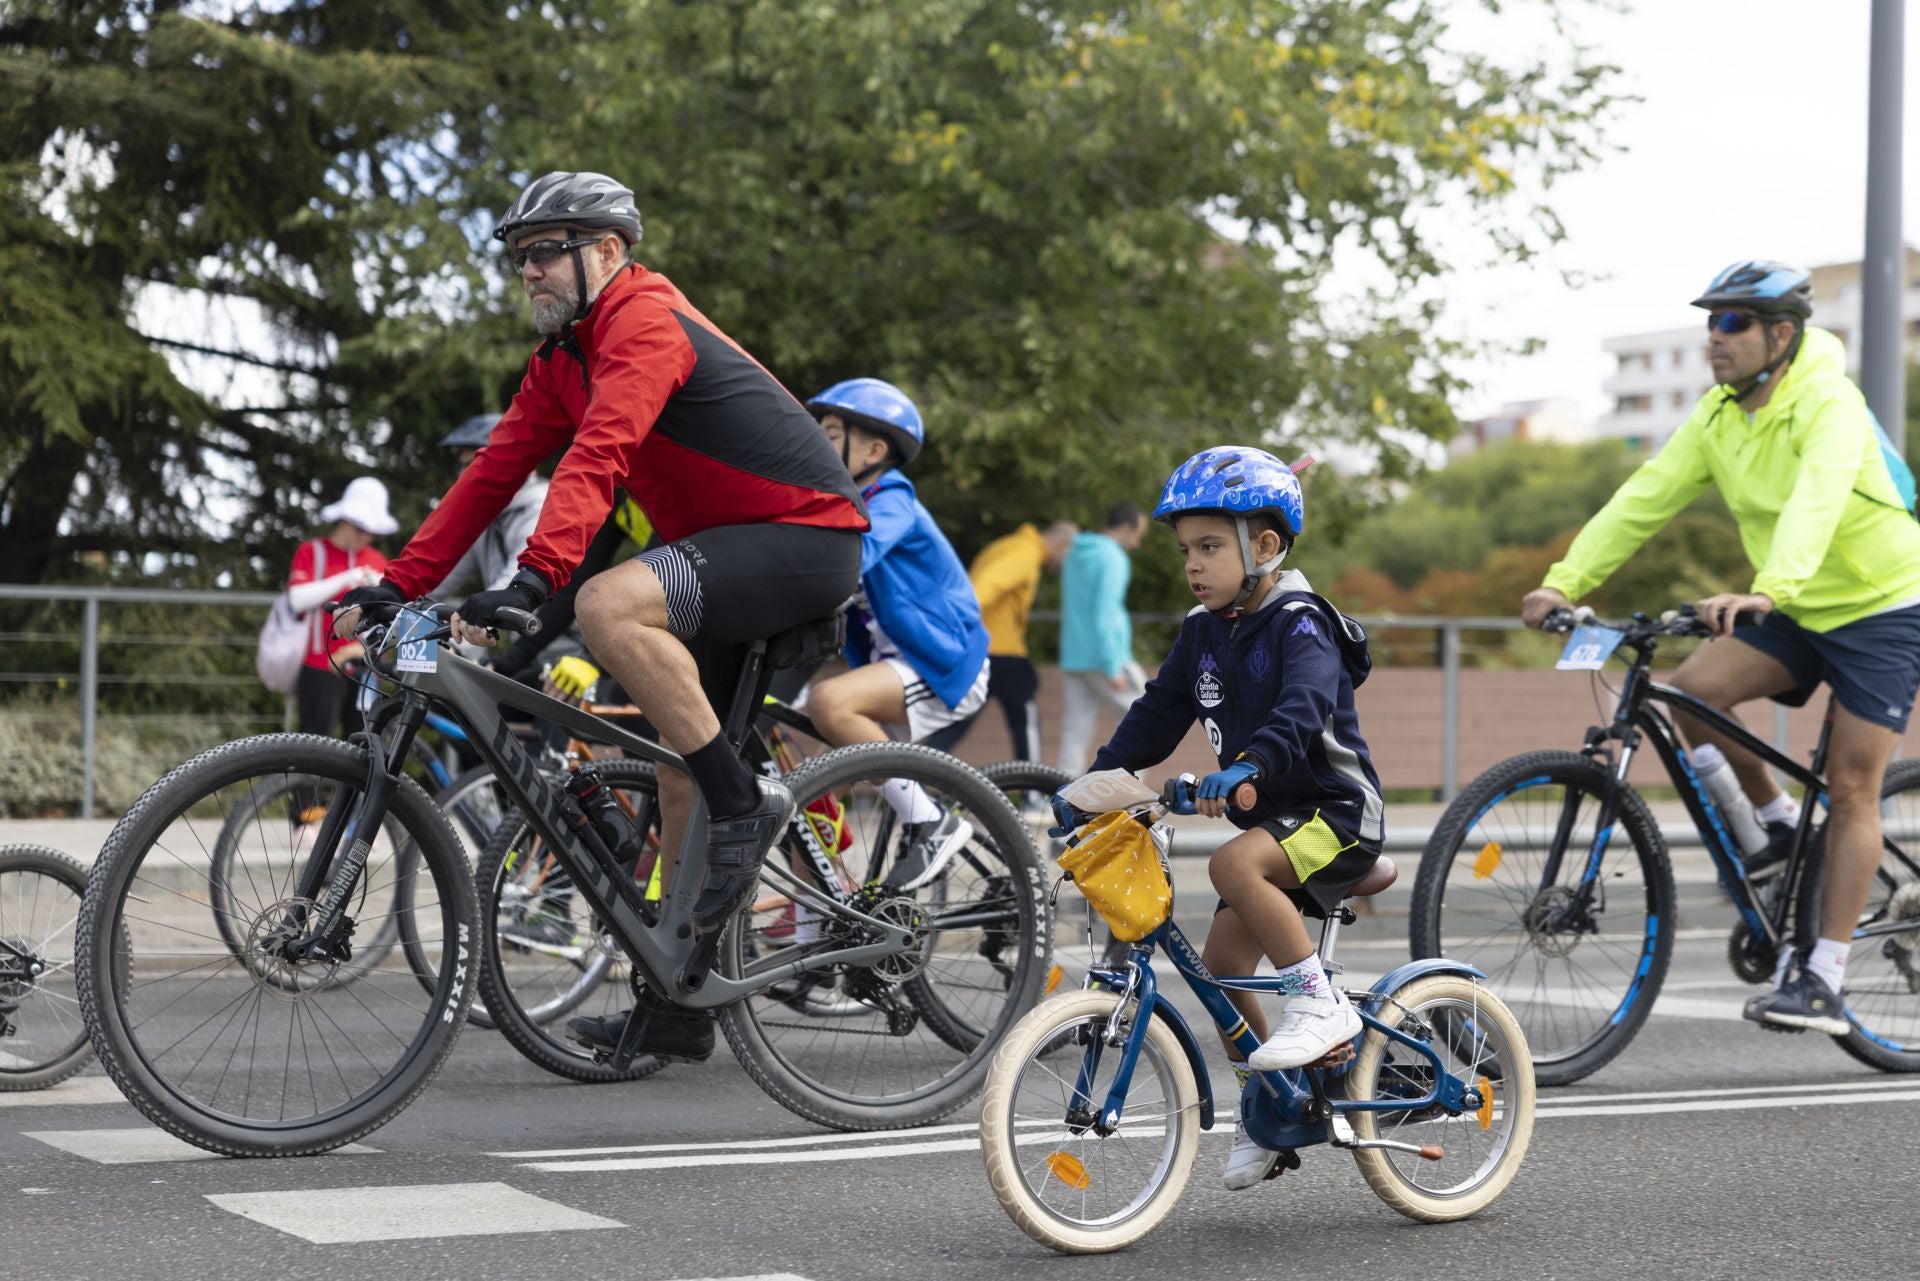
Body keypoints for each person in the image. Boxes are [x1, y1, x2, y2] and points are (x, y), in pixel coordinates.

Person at [335, 171, 868, 1063]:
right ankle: (679, 1003)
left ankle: (745, 802)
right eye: (520, 257)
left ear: (608, 251)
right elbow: (491, 475)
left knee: (606, 602)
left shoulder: (645, 320)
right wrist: (400, 583)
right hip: (725, 549)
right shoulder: (561, 362)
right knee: (676, 774)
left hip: (805, 537)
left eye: (546, 251)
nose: (529, 271)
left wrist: (537, 577)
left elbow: (602, 452)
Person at [1522, 259, 1920, 1036]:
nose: (1716, 336)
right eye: (1711, 321)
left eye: (1734, 322)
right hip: (1794, 600)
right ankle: (1775, 824)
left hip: (1882, 605)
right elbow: (1643, 498)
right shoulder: (1718, 416)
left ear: (1782, 333)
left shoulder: (1829, 400)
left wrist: (1767, 588)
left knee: (1851, 786)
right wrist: (1564, 581)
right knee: (1693, 690)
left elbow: (1818, 498)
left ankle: (1823, 977)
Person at [1050, 446, 1384, 1191]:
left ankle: (1319, 1005)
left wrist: (1249, 766)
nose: (1193, 565)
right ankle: (1268, 1110)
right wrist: (1095, 783)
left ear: (1263, 547)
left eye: (1209, 547)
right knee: (1223, 969)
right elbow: (1157, 713)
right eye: (1184, 551)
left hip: (1337, 816)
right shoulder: (1204, 630)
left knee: (1232, 863)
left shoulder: (1302, 622)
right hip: (1276, 829)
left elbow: (1302, 708)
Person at [800, 377, 992, 889]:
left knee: (828, 702)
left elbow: (848, 561)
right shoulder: (840, 504)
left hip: (943, 663)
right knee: (810, 798)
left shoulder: (890, 498)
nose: (816, 441)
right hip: (896, 667)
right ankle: (814, 926)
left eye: (830, 433)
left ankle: (929, 821)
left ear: (874, 451)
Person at [930, 518, 1079, 763]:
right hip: (1000, 651)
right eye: (1069, 558)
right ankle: (1033, 784)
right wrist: (957, 621)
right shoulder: (1025, 553)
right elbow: (986, 586)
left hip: (979, 649)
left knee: (957, 723)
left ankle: (914, 774)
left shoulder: (1007, 545)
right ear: (1063, 544)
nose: (1067, 566)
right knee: (1025, 719)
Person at [287, 477, 394, 742]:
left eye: (371, 530)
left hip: (364, 667)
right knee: (313, 743)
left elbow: (388, 616)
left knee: (363, 743)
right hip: (320, 664)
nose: (365, 536)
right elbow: (297, 599)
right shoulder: (313, 551)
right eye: (360, 528)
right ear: (344, 519)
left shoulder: (377, 559)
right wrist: (348, 578)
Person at [1055, 501, 1150, 774]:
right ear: (1126, 527)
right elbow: (1104, 613)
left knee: (1075, 732)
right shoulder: (1112, 558)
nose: (1137, 543)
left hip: (1075, 656)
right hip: (1106, 658)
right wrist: (1112, 666)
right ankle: (1129, 791)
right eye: (1137, 535)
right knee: (1144, 722)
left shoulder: (1074, 553)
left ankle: (1062, 791)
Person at [427, 414, 549, 601]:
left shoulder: (540, 509)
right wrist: (394, 593)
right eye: (462, 466)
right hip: (519, 620)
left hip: (561, 621)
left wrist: (473, 610)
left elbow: (514, 587)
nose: (465, 475)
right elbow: (439, 576)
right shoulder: (489, 515)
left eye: (476, 463)